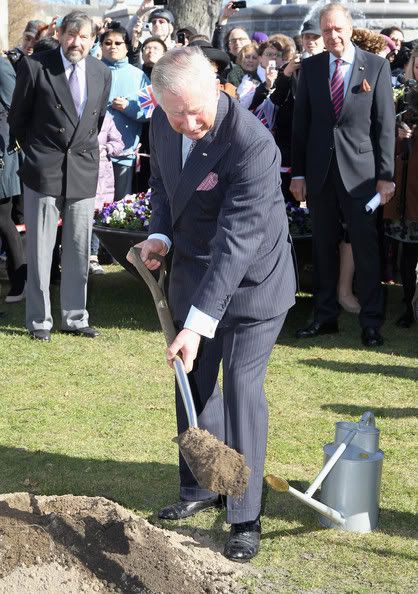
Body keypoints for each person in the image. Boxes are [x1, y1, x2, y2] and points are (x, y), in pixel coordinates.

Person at [127, 47, 296, 562]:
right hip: (194, 273)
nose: (186, 122)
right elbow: (162, 184)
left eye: (195, 110)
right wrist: (159, 234)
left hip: (252, 285)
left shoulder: (251, 143)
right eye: (175, 112)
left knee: (241, 387)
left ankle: (244, 515)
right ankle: (202, 485)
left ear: (216, 86)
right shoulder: (163, 120)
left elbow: (236, 243)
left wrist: (199, 325)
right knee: (191, 384)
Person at [291, 3, 395, 347]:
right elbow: (301, 126)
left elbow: (385, 127)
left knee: (365, 247)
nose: (331, 35)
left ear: (349, 29)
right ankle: (324, 317)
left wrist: (386, 176)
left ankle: (371, 322)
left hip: (363, 176)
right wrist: (299, 173)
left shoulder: (376, 66)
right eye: (325, 30)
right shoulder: (311, 67)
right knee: (322, 246)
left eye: (337, 29)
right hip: (320, 174)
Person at [9, 11, 112, 342]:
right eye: (71, 34)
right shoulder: (37, 65)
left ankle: (75, 317)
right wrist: (37, 155)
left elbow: (95, 123)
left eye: (84, 36)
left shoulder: (101, 72)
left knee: (79, 248)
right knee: (40, 250)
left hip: (83, 169)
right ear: (61, 33)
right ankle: (40, 320)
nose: (76, 42)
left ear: (93, 40)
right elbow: (18, 118)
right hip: (44, 170)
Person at [384, 49, 418, 328]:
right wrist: (398, 130)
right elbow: (383, 130)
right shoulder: (402, 94)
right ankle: (408, 306)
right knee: (408, 251)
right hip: (407, 184)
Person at [100, 22, 149, 200]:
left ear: (127, 47)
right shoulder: (91, 71)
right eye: (107, 42)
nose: (113, 46)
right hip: (93, 153)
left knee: (120, 205)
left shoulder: (139, 76)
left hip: (125, 153)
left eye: (118, 43)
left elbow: (149, 112)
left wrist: (128, 107)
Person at [0, 55, 26, 303]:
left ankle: (20, 281)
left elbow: (14, 107)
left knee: (3, 218)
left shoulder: (1, 65)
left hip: (3, 151)